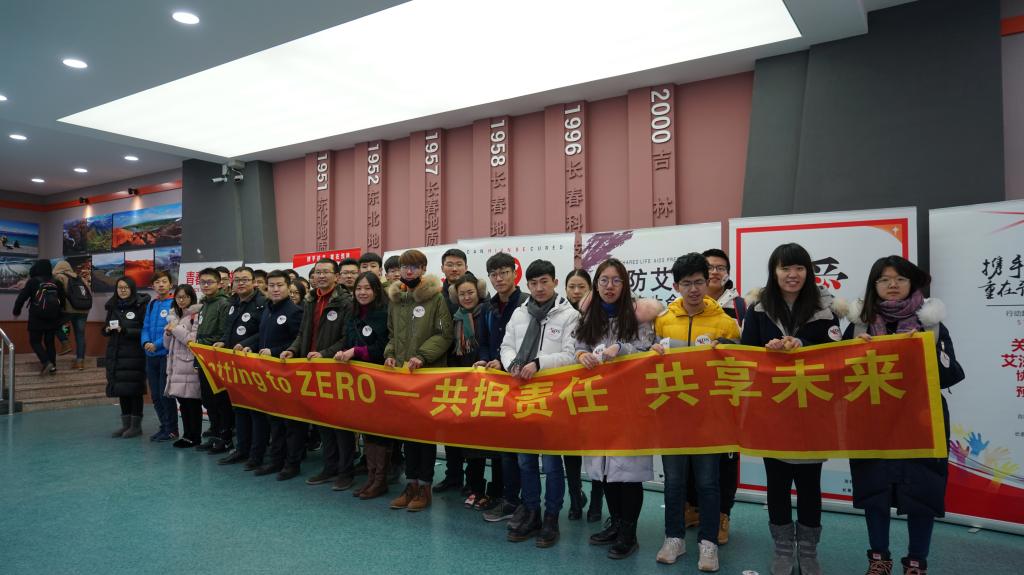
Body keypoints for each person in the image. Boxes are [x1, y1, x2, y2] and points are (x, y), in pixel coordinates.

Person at [844, 256, 964, 575]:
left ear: (911, 283)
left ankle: (916, 561)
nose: (892, 285)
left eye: (899, 279)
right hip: (872, 419)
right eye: (884, 280)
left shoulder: (930, 323)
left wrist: (927, 350)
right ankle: (878, 559)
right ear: (874, 286)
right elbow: (839, 376)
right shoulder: (859, 324)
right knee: (874, 488)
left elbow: (950, 375)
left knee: (923, 488)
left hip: (922, 419)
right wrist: (854, 351)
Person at [741, 243, 842, 575]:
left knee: (810, 485)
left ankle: (809, 551)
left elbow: (836, 354)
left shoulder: (825, 308)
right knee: (778, 483)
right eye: (785, 268)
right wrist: (766, 350)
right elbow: (746, 356)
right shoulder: (758, 309)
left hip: (812, 409)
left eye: (799, 268)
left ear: (808, 272)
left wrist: (803, 345)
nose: (792, 274)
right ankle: (783, 549)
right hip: (772, 410)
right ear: (774, 272)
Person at [651, 252, 740, 571]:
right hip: (673, 414)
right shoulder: (663, 320)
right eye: (686, 283)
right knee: (674, 482)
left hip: (710, 416)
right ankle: (673, 538)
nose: (693, 289)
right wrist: (652, 352)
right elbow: (650, 365)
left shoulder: (725, 321)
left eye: (699, 282)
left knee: (708, 482)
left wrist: (728, 348)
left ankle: (708, 543)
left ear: (708, 281)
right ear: (676, 286)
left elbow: (740, 362)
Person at [576, 258, 656, 560]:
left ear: (625, 284)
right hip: (598, 403)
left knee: (628, 472)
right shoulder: (588, 316)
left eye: (616, 280)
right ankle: (616, 523)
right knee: (605, 469)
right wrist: (581, 354)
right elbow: (577, 346)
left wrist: (621, 349)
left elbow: (647, 349)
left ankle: (629, 533)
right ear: (596, 285)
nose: (609, 286)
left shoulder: (638, 315)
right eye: (604, 280)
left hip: (629, 403)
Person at [500, 260, 580, 548]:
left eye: (544, 281)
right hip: (522, 395)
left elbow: (571, 355)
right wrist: (512, 363)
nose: (539, 288)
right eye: (533, 283)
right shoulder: (520, 313)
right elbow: (506, 345)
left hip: (553, 398)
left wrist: (538, 363)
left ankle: (551, 517)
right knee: (525, 460)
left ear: (555, 282)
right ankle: (532, 511)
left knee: (552, 463)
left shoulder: (570, 315)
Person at [384, 249, 454, 512]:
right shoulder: (396, 299)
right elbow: (392, 335)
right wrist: (390, 354)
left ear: (424, 269)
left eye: (414, 266)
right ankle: (410, 484)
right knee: (407, 433)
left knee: (425, 435)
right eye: (405, 266)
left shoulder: (435, 297)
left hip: (426, 376)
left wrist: (422, 356)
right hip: (402, 378)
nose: (409, 271)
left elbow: (444, 334)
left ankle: (425, 487)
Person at [685, 248, 744, 546]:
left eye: (721, 268)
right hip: (690, 396)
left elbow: (748, 346)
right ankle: (693, 507)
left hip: (725, 395)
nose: (715, 272)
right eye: (709, 267)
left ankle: (722, 514)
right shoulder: (679, 308)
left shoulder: (740, 306)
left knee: (725, 460)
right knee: (690, 454)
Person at [281, 258, 356, 490]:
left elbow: (347, 338)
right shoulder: (311, 299)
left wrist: (324, 354)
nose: (321, 276)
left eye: (326, 272)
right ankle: (330, 467)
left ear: (337, 276)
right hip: (312, 369)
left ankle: (346, 471)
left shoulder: (346, 302)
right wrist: (293, 349)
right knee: (323, 420)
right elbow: (303, 333)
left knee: (341, 424)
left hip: (336, 369)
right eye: (317, 272)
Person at [479, 252, 527, 523]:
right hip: (495, 384)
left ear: (514, 273)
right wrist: (485, 359)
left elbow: (529, 343)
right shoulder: (488, 307)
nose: (499, 278)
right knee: (500, 445)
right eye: (494, 274)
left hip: (520, 381)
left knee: (519, 449)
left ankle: (521, 502)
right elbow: (484, 341)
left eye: (504, 273)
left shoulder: (526, 304)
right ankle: (506, 498)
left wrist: (504, 361)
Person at [333, 271, 391, 498]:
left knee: (380, 430)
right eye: (359, 288)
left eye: (367, 288)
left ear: (377, 291)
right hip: (358, 382)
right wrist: (343, 352)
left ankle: (380, 480)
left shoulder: (384, 313)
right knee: (368, 428)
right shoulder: (354, 314)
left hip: (379, 381)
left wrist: (356, 351)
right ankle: (371, 477)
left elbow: (384, 348)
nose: (362, 292)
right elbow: (348, 341)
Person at [445, 272, 500, 510]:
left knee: (496, 443)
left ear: (478, 293)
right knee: (471, 441)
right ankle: (475, 487)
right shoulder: (455, 318)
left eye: (470, 292)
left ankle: (496, 491)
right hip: (466, 385)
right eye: (462, 294)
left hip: (491, 383)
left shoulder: (489, 312)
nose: (467, 297)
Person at [245, 271, 304, 480]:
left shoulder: (295, 312)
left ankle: (292, 464)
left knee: (291, 423)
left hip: (288, 375)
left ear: (288, 287)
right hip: (269, 376)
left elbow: (298, 343)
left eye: (280, 285)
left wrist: (275, 351)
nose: (275, 289)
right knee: (275, 421)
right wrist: (248, 346)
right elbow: (262, 336)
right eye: (271, 286)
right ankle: (276, 460)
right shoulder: (268, 310)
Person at [214, 266, 267, 467]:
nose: (241, 283)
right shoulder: (233, 302)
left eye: (245, 279)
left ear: (254, 282)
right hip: (234, 365)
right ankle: (241, 449)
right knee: (239, 408)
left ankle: (257, 454)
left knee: (256, 411)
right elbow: (229, 329)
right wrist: (222, 341)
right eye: (237, 280)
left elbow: (264, 332)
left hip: (254, 364)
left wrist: (247, 344)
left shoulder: (263, 303)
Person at [433, 247, 469, 494]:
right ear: (443, 268)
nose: (454, 268)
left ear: (466, 267)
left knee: (472, 426)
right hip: (444, 367)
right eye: (450, 264)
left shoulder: (474, 291)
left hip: (470, 368)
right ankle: (453, 475)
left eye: (458, 264)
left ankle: (474, 480)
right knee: (450, 424)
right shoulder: (437, 295)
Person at [563, 269, 598, 522]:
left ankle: (596, 502)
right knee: (570, 450)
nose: (576, 292)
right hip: (567, 392)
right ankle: (575, 498)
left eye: (581, 287)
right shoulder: (561, 314)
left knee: (597, 451)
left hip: (597, 392)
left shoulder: (598, 315)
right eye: (571, 287)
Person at [102, 277, 151, 439]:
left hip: (134, 353)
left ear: (132, 289)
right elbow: (106, 325)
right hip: (116, 353)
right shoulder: (113, 305)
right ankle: (126, 425)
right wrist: (106, 329)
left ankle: (136, 426)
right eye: (119, 288)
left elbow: (145, 330)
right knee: (122, 390)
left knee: (134, 390)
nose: (122, 290)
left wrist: (125, 331)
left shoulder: (140, 305)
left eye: (126, 288)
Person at [194, 268, 231, 452]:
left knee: (220, 400)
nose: (206, 285)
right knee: (208, 398)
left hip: (216, 359)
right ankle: (214, 433)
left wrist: (202, 345)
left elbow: (224, 334)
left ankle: (225, 438)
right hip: (202, 357)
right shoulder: (205, 304)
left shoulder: (224, 304)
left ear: (219, 283)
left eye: (210, 282)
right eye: (203, 282)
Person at [164, 284, 203, 448]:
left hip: (189, 365)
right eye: (178, 297)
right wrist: (168, 333)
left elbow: (193, 340)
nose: (181, 300)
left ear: (191, 297)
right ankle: (187, 435)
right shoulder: (174, 316)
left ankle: (195, 437)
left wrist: (176, 329)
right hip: (176, 366)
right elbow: (167, 345)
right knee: (183, 403)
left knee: (192, 403)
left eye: (185, 297)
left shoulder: (196, 315)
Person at [141, 271, 178, 442]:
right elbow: (145, 327)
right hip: (150, 356)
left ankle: (171, 429)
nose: (161, 285)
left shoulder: (174, 304)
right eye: (157, 282)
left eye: (164, 281)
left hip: (165, 355)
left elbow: (172, 329)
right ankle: (163, 426)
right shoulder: (152, 304)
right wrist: (145, 342)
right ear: (153, 286)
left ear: (170, 284)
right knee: (155, 395)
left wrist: (156, 344)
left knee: (165, 395)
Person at [12, 259, 66, 376]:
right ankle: (53, 366)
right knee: (50, 342)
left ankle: (46, 362)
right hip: (53, 318)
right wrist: (59, 315)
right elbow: (62, 301)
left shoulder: (33, 282)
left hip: (36, 318)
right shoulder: (57, 282)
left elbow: (21, 298)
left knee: (35, 341)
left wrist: (16, 311)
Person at [52, 259, 90, 370]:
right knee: (80, 335)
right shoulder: (81, 278)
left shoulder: (59, 277)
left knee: (53, 325)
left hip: (69, 309)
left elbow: (57, 294)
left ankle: (65, 342)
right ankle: (80, 362)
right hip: (84, 310)